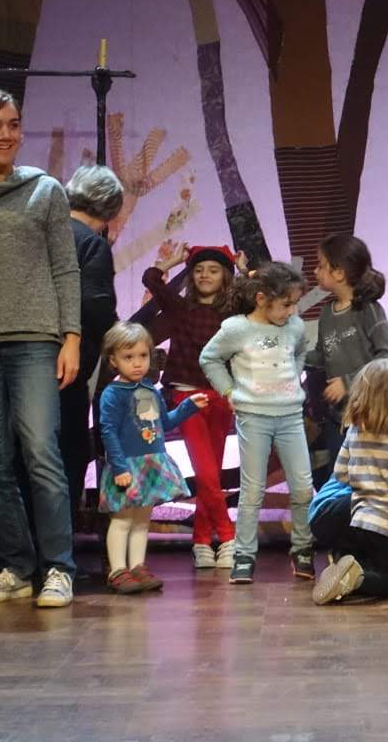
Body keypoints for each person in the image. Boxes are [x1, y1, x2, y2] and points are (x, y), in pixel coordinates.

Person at [0, 88, 81, 609]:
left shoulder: (44, 189)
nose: (6, 134)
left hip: (33, 338)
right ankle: (18, 565)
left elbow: (65, 267)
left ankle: (59, 568)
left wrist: (71, 336)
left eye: (12, 124)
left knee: (41, 455)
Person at [199, 262, 315, 586]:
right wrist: (228, 390)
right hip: (253, 416)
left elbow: (300, 352)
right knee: (252, 490)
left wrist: (293, 378)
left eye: (294, 304)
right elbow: (209, 357)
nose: (291, 311)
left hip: (290, 415)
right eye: (286, 304)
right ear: (262, 299)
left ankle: (302, 548)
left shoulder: (294, 327)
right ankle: (244, 555)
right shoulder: (236, 328)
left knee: (302, 487)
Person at [143, 243, 244, 569]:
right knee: (205, 471)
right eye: (198, 270)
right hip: (187, 396)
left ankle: (201, 540)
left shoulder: (233, 313)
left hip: (222, 395)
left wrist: (243, 269)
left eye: (213, 270)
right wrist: (175, 260)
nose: (204, 275)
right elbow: (151, 279)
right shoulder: (180, 307)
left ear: (225, 276)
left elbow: (258, 294)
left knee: (210, 472)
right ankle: (227, 537)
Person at [97, 322, 203, 593]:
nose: (137, 363)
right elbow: (108, 432)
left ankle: (137, 566)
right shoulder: (112, 394)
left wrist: (188, 407)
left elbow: (163, 423)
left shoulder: (151, 390)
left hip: (151, 463)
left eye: (143, 356)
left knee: (142, 520)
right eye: (128, 357)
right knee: (122, 520)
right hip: (127, 466)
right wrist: (119, 467)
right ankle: (117, 570)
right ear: (113, 360)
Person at [313, 359, 388, 604]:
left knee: (364, 562)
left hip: (357, 520)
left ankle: (343, 568)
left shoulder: (354, 433)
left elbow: (341, 474)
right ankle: (355, 579)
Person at [310, 233, 388, 487]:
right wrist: (289, 356)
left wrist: (348, 383)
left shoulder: (368, 309)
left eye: (320, 265)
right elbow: (323, 355)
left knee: (368, 483)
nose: (315, 271)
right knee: (339, 483)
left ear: (339, 273)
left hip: (370, 419)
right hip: (339, 419)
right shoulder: (327, 313)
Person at [61, 165, 124, 518]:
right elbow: (95, 305)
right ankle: (59, 541)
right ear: (110, 208)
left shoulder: (47, 232)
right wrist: (118, 338)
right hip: (69, 363)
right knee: (68, 449)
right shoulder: (91, 244)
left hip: (25, 354)